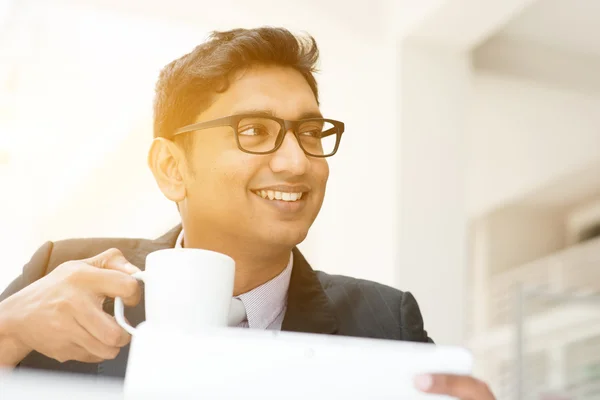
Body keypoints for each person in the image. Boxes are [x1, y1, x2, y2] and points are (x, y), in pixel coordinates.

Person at [0, 27, 494, 398]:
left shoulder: (387, 323)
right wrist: (9, 329)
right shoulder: (63, 278)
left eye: (310, 132)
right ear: (172, 167)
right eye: (254, 131)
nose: (297, 162)